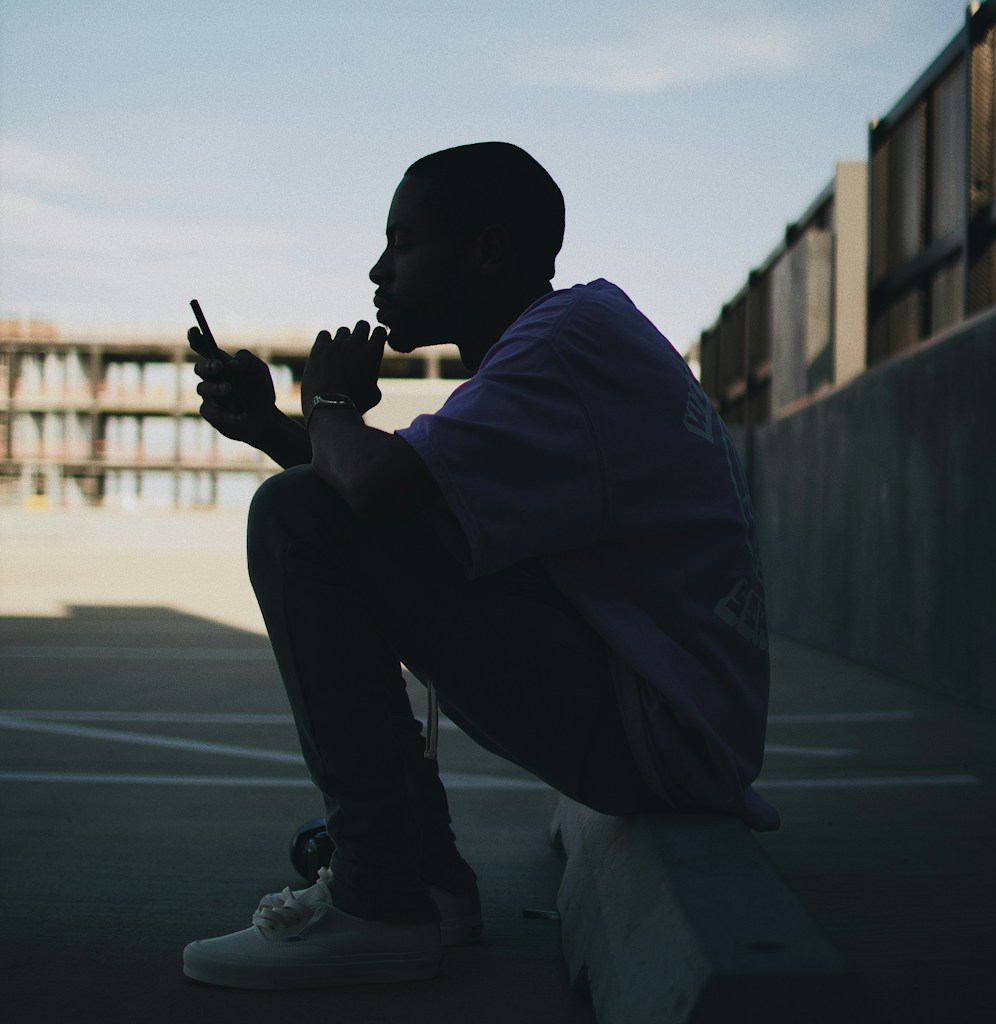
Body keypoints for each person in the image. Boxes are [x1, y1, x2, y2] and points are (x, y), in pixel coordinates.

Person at [182, 142, 778, 991]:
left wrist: (331, 405)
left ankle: (381, 898)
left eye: (404, 242)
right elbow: (395, 514)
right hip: (669, 714)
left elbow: (374, 492)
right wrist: (281, 428)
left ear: (486, 250)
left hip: (657, 725)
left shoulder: (560, 348)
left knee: (287, 518)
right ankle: (424, 880)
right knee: (317, 514)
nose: (378, 271)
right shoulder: (572, 339)